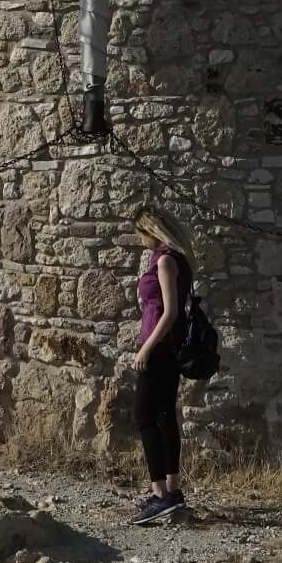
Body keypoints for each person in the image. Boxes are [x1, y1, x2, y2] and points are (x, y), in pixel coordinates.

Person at [129, 215, 195, 525]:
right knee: (165, 415)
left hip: (159, 349)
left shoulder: (166, 261)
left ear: (150, 230)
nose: (138, 239)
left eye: (140, 233)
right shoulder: (174, 257)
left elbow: (169, 313)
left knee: (144, 415)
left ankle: (160, 494)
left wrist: (146, 348)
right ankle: (171, 491)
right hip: (167, 348)